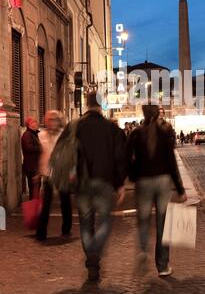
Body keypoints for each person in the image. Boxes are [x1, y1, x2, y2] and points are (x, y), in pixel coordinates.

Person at [127, 104, 187, 277]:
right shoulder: (165, 133)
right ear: (157, 115)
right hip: (162, 180)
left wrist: (131, 176)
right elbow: (171, 161)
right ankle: (162, 265)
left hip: (143, 180)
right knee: (163, 223)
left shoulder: (136, 133)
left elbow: (127, 157)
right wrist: (180, 187)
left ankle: (143, 251)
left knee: (144, 220)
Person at [75, 91, 127, 283]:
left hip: (82, 181)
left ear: (87, 104)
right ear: (101, 104)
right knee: (105, 221)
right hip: (104, 181)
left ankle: (92, 258)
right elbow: (120, 157)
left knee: (85, 224)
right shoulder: (111, 129)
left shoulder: (77, 127)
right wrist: (120, 183)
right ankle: (95, 253)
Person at [36, 111, 72, 241]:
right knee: (46, 204)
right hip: (47, 173)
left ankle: (66, 229)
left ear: (58, 121)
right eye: (48, 119)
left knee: (65, 202)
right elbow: (42, 155)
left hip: (62, 173)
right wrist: (39, 172)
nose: (50, 122)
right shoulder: (41, 135)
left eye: (53, 119)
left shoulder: (64, 135)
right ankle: (41, 233)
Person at [21, 117, 41, 200]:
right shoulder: (27, 135)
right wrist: (41, 147)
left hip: (35, 164)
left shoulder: (33, 134)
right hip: (31, 166)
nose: (37, 123)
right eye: (34, 122)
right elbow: (28, 148)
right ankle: (32, 205)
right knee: (33, 187)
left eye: (36, 122)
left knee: (37, 186)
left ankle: (34, 204)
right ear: (29, 125)